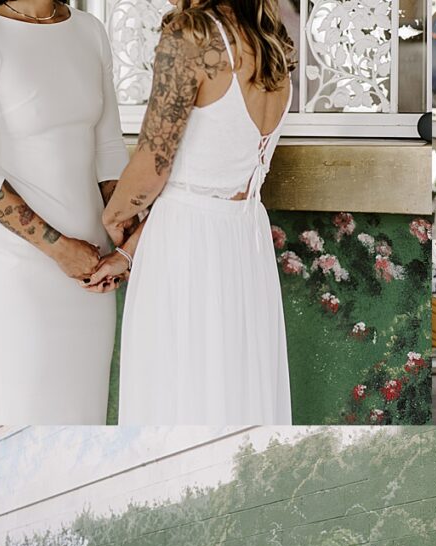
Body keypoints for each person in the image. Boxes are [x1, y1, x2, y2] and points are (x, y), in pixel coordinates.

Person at [95, 0, 292, 428]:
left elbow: (153, 166)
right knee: (236, 390)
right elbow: (208, 182)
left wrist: (115, 216)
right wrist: (131, 251)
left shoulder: (192, 35)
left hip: (186, 252)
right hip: (246, 242)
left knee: (175, 394)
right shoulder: (270, 42)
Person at [0, 0, 126, 424]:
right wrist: (61, 250)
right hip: (18, 281)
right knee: (23, 423)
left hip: (93, 281)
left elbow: (110, 151)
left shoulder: (89, 31)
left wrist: (123, 238)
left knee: (87, 422)